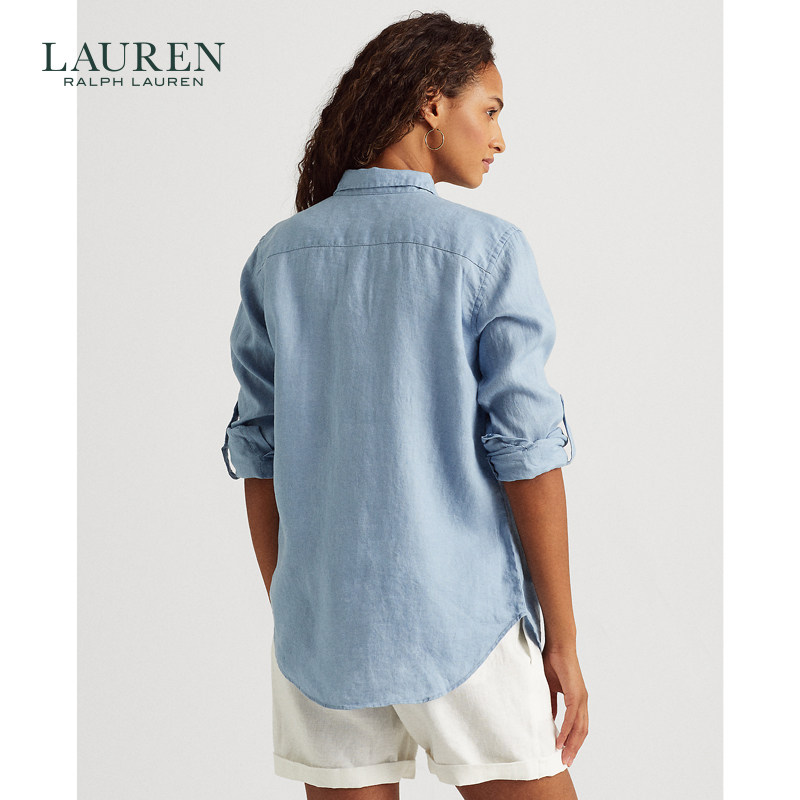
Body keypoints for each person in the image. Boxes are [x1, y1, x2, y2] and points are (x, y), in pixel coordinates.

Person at [221, 11, 588, 800]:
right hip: (465, 620)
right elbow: (527, 453)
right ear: (431, 104)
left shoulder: (277, 257)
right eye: (489, 110)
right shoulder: (488, 251)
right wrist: (562, 638)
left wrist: (297, 605)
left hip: (322, 628)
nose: (499, 138)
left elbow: (259, 454)